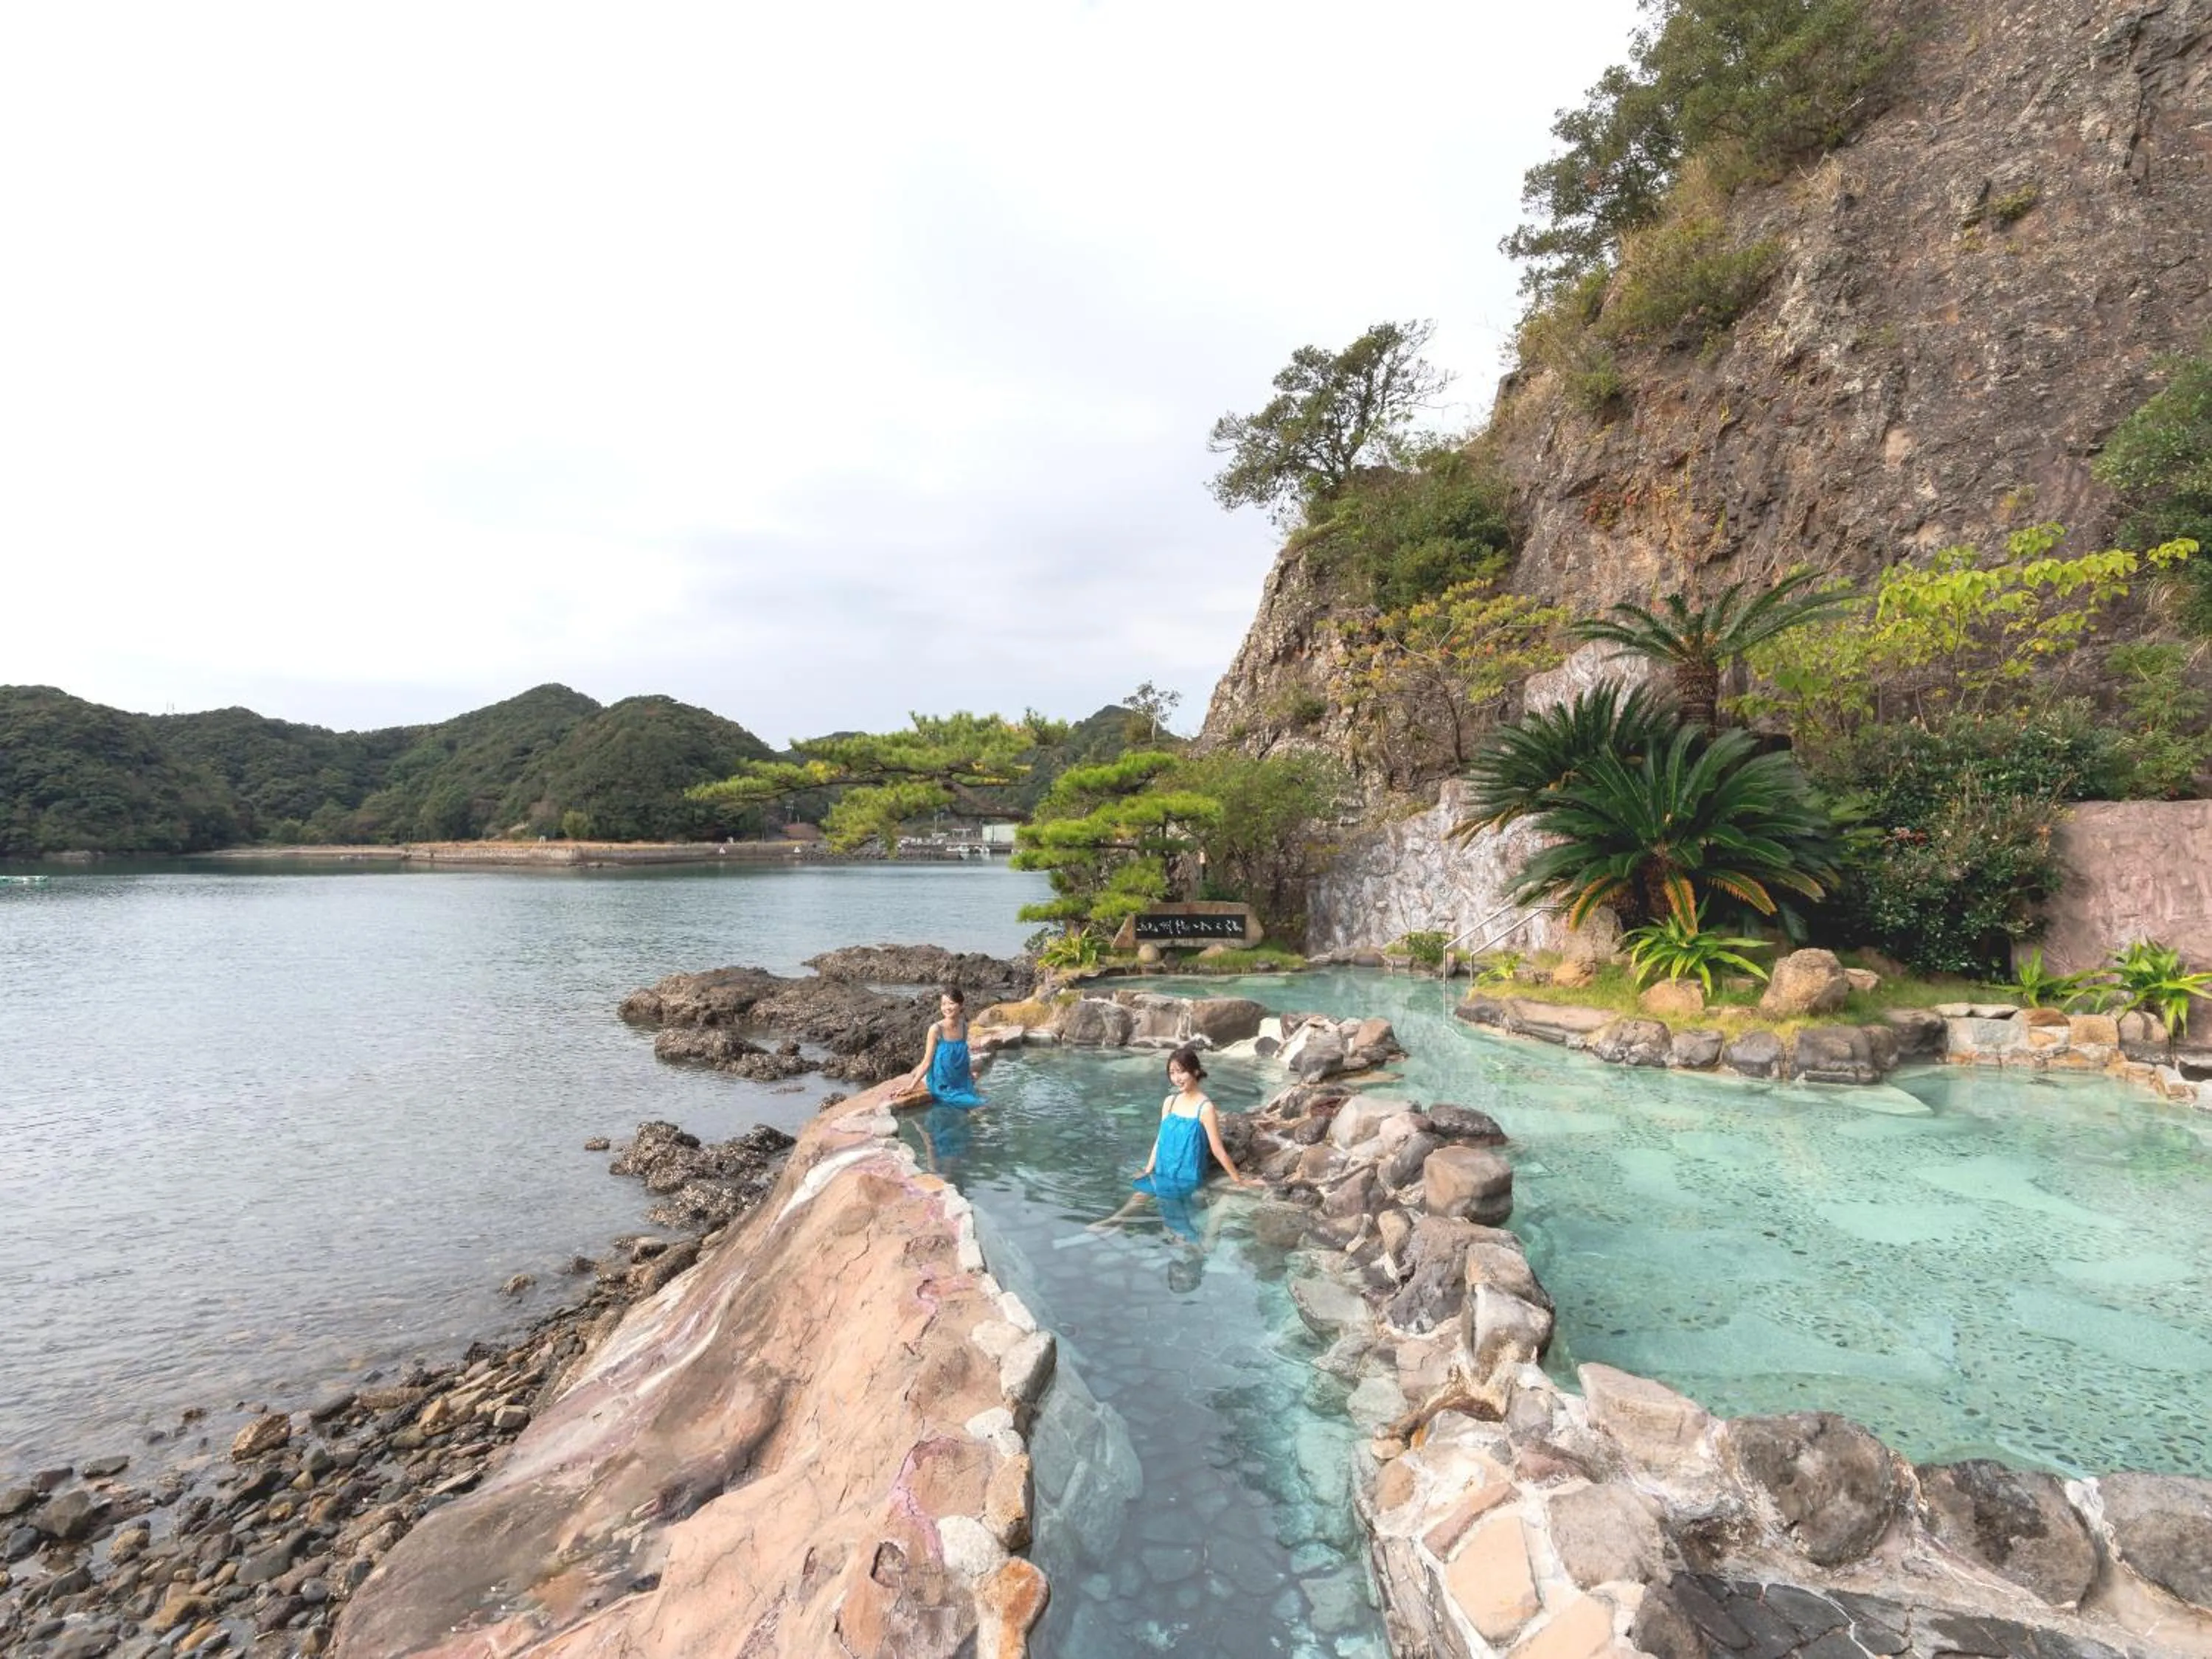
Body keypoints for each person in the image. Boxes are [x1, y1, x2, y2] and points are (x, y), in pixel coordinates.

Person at [1093, 1045, 1249, 1237]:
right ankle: (1117, 1221)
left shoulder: (1205, 1107)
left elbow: (1217, 1149)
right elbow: (1160, 1138)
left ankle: (1195, 1240)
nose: (1176, 1078)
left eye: (1181, 1072)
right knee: (1141, 1194)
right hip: (1164, 1167)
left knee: (1175, 1210)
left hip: (1188, 1172)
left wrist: (1238, 1180)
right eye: (1172, 1073)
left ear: (1196, 1071)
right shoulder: (1170, 1102)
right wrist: (1148, 1169)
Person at [892, 987, 984, 1108]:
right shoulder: (936, 1030)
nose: (947, 1008)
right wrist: (911, 1087)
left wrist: (970, 1075)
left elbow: (963, 1055)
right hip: (942, 1084)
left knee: (979, 1104)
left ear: (961, 1005)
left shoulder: (963, 1026)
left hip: (961, 1080)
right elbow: (927, 1061)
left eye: (951, 1003)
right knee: (981, 1106)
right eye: (943, 1004)